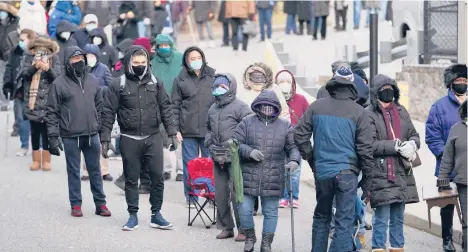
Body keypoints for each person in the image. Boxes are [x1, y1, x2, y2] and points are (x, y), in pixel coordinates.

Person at [100, 45, 177, 231]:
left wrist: (172, 133)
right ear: (129, 63)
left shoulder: (155, 83)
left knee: (157, 177)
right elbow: (108, 111)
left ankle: (156, 214)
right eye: (136, 63)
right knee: (132, 180)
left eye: (143, 63)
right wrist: (105, 138)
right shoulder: (118, 84)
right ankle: (132, 215)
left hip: (153, 137)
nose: (140, 66)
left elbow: (166, 108)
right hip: (129, 138)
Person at [294, 74, 374, 251]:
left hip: (323, 171)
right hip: (347, 172)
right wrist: (368, 177)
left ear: (331, 89)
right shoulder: (359, 111)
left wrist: (312, 159)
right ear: (352, 91)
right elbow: (365, 149)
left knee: (322, 217)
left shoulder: (316, 106)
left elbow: (299, 135)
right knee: (344, 221)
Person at [45, 46, 111, 218]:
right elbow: (51, 111)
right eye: (74, 59)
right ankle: (76, 204)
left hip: (91, 134)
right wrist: (53, 136)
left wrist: (103, 133)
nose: (79, 62)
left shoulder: (93, 81)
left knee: (95, 170)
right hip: (70, 135)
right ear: (67, 61)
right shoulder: (58, 84)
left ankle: (100, 204)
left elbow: (100, 107)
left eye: (81, 58)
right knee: (74, 171)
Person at [232, 89, 301, 252]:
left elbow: (293, 147)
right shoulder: (247, 121)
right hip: (248, 173)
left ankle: (266, 243)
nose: (267, 109)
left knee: (270, 212)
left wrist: (294, 160)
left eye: (271, 107)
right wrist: (249, 152)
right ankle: (250, 236)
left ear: (276, 107)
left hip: (274, 175)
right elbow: (235, 143)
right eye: (264, 106)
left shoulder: (285, 125)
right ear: (258, 106)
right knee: (244, 209)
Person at [366, 74, 420, 252]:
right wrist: (394, 146)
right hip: (381, 172)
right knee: (381, 217)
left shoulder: (401, 111)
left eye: (391, 88)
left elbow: (414, 134)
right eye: (383, 89)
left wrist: (412, 144)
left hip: (402, 172)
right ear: (376, 93)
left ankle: (397, 247)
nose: (388, 92)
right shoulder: (369, 114)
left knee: (398, 217)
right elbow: (369, 144)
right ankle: (378, 247)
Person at [205, 73, 252, 241]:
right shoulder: (212, 108)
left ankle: (244, 229)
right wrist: (209, 144)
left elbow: (249, 130)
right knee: (221, 193)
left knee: (238, 193)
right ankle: (226, 227)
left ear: (231, 87)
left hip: (236, 157)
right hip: (217, 156)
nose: (219, 89)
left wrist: (236, 146)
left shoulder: (241, 107)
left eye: (223, 86)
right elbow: (208, 129)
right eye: (216, 86)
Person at [426, 63, 467, 252]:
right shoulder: (439, 107)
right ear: (451, 83)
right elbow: (432, 136)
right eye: (458, 80)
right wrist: (446, 154)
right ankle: (447, 239)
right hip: (447, 166)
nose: (462, 83)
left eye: (465, 81)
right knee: (447, 205)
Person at [171, 46, 215, 207]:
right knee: (190, 164)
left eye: (198, 58)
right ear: (186, 61)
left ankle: (212, 195)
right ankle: (191, 197)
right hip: (187, 129)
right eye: (192, 59)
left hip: (208, 129)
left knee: (210, 164)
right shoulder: (180, 79)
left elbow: (219, 102)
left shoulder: (212, 76)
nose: (196, 61)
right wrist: (175, 129)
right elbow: (174, 105)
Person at [22, 36, 61, 171]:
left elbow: (58, 78)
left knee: (46, 131)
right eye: (39, 50)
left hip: (49, 100)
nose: (41, 52)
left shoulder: (54, 59)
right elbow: (25, 75)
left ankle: (46, 159)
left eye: (44, 50)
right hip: (32, 100)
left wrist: (47, 68)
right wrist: (35, 67)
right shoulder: (28, 57)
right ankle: (36, 160)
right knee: (35, 131)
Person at [151, 33, 184, 181]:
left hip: (179, 103)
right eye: (161, 46)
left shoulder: (179, 58)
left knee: (179, 136)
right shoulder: (153, 62)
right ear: (157, 48)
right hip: (160, 104)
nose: (164, 48)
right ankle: (166, 169)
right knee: (162, 137)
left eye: (167, 46)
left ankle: (181, 169)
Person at [274, 69, 309, 208]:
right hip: (278, 139)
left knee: (295, 171)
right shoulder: (273, 98)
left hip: (296, 140)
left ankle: (294, 197)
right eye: (281, 82)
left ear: (293, 83)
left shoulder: (301, 99)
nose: (284, 84)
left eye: (287, 81)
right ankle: (283, 197)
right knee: (281, 169)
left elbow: (308, 118)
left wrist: (304, 134)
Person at [438, 100, 467, 252]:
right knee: (467, 222)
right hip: (464, 183)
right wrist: (442, 179)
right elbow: (447, 158)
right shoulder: (456, 129)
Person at [2, 29, 35, 157]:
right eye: (20, 39)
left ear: (31, 39)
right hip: (19, 90)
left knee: (36, 120)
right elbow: (9, 68)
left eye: (23, 40)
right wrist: (7, 85)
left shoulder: (37, 52)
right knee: (21, 118)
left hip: (32, 90)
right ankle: (24, 145)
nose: (20, 42)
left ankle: (39, 147)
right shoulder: (16, 52)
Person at [0, 2, 19, 105]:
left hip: (10, 55)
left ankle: (8, 100)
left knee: (9, 78)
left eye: (3, 12)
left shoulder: (14, 24)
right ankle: (3, 102)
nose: (1, 14)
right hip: (0, 57)